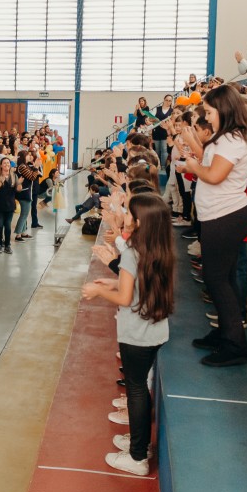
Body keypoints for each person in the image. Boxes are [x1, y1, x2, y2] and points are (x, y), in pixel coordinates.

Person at [82, 193, 174, 477]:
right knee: (139, 390)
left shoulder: (133, 253)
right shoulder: (161, 250)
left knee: (135, 391)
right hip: (155, 331)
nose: (128, 219)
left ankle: (137, 457)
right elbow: (134, 287)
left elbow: (124, 297)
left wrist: (99, 291)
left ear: (142, 222)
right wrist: (112, 280)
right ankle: (140, 443)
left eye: (132, 215)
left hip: (136, 334)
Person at [181, 85, 247, 367]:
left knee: (217, 279)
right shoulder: (229, 137)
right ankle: (224, 333)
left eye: (211, 112)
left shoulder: (234, 139)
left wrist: (193, 167)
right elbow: (212, 163)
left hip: (225, 216)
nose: (209, 117)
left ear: (224, 109)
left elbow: (214, 175)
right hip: (218, 215)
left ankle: (236, 345)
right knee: (219, 278)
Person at [0, 156, 17, 254]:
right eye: (4, 163)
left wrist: (19, 186)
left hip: (10, 204)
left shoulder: (14, 176)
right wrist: (0, 182)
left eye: (8, 163)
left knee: (8, 226)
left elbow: (17, 187)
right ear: (1, 165)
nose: (7, 165)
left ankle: (7, 245)